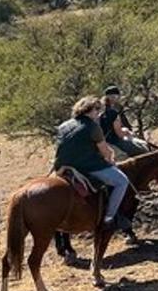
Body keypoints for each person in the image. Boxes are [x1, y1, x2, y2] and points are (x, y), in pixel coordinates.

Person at [53, 96, 133, 232]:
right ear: (89, 110)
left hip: (61, 166)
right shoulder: (93, 127)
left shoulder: (64, 125)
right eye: (97, 110)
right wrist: (111, 159)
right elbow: (105, 152)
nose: (99, 113)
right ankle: (109, 217)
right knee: (122, 181)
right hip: (87, 166)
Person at [99, 86, 150, 158]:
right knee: (144, 150)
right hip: (115, 142)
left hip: (103, 142)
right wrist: (127, 131)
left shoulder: (99, 112)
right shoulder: (113, 113)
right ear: (115, 97)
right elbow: (119, 134)